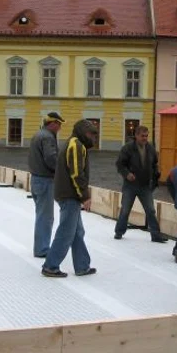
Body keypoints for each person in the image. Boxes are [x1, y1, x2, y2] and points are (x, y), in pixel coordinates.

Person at [41, 119, 99, 278]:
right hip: (69, 195)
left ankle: (82, 265)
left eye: (94, 135)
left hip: (67, 193)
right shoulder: (76, 145)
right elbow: (76, 173)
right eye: (89, 134)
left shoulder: (75, 143)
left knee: (77, 231)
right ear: (81, 132)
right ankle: (50, 266)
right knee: (66, 232)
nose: (92, 138)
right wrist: (84, 195)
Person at [113, 125, 168, 243]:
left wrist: (156, 175)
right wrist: (127, 174)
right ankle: (119, 232)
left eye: (146, 136)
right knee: (125, 210)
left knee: (150, 210)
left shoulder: (151, 149)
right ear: (136, 135)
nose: (145, 138)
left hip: (145, 186)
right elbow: (120, 164)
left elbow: (155, 164)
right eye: (142, 136)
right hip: (130, 185)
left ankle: (156, 235)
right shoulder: (127, 148)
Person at [28, 111, 65, 258]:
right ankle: (42, 249)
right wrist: (63, 171)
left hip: (36, 179)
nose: (60, 128)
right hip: (45, 181)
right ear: (53, 123)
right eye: (59, 124)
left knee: (41, 215)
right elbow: (51, 159)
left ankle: (40, 247)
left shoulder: (38, 134)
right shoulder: (47, 137)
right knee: (46, 217)